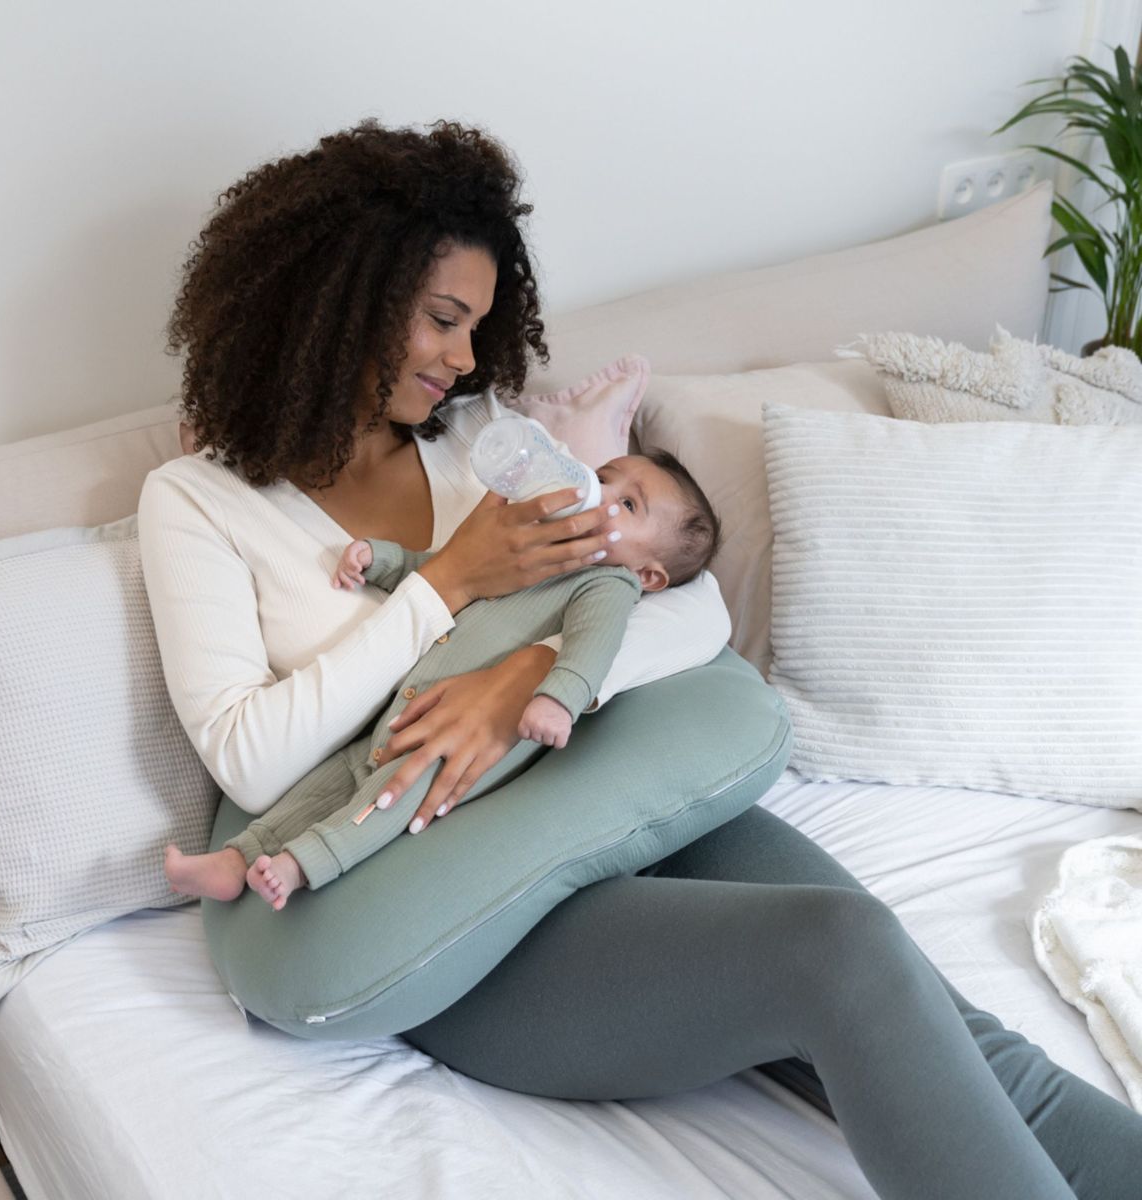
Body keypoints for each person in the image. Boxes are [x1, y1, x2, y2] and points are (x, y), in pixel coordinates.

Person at [138, 120, 1142, 1200]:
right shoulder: (199, 502)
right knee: (834, 953)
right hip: (426, 884)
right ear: (341, 300)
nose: (466, 360)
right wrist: (447, 584)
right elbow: (246, 759)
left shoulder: (484, 444)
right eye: (441, 320)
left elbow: (684, 610)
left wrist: (529, 680)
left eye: (477, 326)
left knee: (956, 1026)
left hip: (580, 778)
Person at [164, 448, 721, 910]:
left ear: (648, 574)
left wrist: (555, 697)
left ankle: (299, 865)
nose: (600, 497)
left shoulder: (609, 586)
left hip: (450, 747)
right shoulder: (535, 541)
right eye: (602, 479)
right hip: (402, 714)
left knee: (390, 798)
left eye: (627, 504)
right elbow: (439, 568)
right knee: (332, 781)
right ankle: (237, 858)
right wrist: (378, 560)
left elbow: (591, 647)